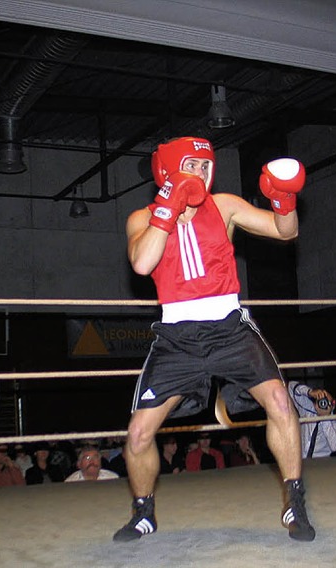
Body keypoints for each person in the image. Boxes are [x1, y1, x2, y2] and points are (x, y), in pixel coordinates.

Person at [113, 136, 314, 543]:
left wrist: (285, 201)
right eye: (193, 165)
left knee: (279, 402)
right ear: (168, 171)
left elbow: (284, 231)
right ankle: (142, 512)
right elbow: (142, 262)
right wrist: (168, 209)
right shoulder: (142, 218)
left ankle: (295, 502)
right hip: (176, 339)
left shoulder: (223, 206)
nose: (203, 173)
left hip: (229, 327)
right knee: (138, 433)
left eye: (207, 166)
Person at [288, 381, 336, 459]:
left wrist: (325, 418)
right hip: (300, 460)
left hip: (320, 464)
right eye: (321, 401)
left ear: (333, 406)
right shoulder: (307, 409)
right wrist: (309, 392)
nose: (323, 404)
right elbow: (291, 387)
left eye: (327, 402)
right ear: (315, 403)